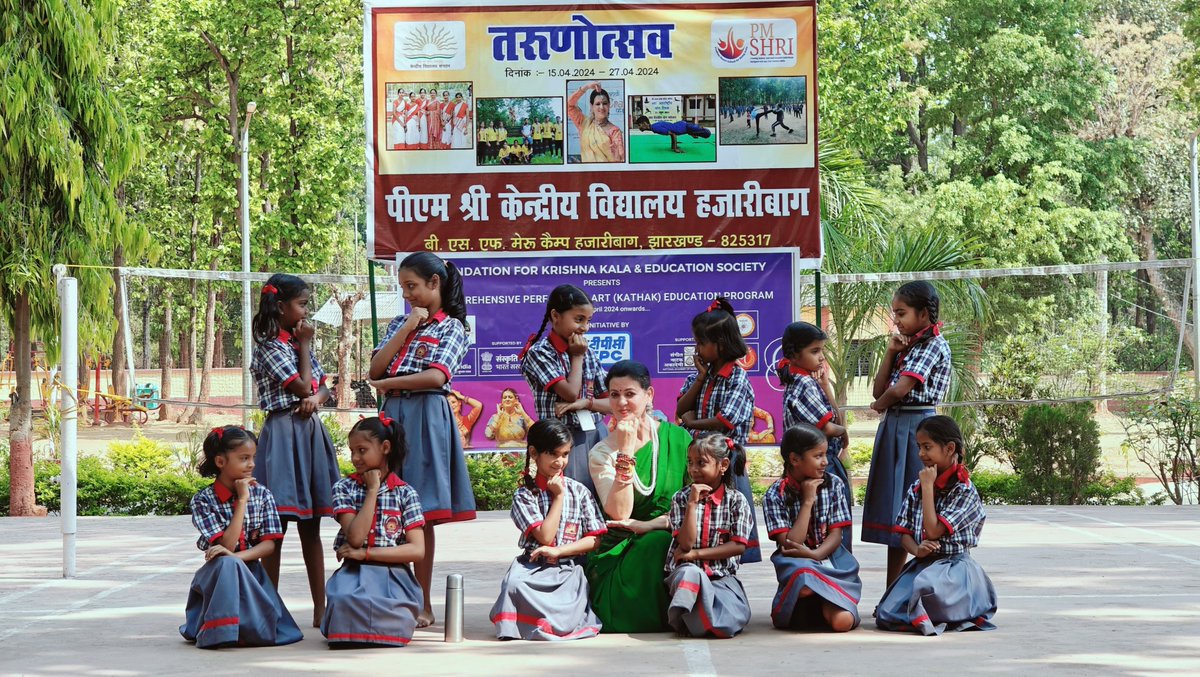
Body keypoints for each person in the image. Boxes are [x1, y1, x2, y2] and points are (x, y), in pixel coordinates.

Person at [368, 252, 475, 628]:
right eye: (403, 288)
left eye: (412, 286)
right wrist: (408, 326)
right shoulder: (402, 320)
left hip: (427, 417)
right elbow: (374, 368)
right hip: (392, 419)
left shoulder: (455, 328)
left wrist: (387, 385)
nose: (408, 294)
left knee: (420, 513)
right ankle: (389, 596)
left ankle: (423, 603)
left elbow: (435, 378)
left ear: (435, 283)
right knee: (387, 505)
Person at [250, 273, 339, 627]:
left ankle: (321, 608)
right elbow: (303, 385)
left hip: (309, 433)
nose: (306, 312)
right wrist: (304, 350)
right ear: (281, 306)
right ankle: (271, 606)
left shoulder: (294, 342)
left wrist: (315, 401)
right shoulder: (272, 347)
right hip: (284, 434)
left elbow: (322, 389)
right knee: (277, 527)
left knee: (312, 527)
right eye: (301, 305)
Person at [586, 360, 692, 632]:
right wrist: (626, 451)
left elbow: (697, 501)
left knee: (666, 540)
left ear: (649, 395)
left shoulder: (679, 439)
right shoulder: (602, 452)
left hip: (677, 530)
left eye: (630, 394)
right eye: (613, 395)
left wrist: (661, 524)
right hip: (625, 545)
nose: (621, 402)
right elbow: (620, 514)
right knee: (656, 543)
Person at [180, 426, 303, 649]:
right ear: (220, 462)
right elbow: (226, 546)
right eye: (244, 458)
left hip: (252, 573)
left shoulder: (263, 494)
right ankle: (220, 631)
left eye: (253, 457)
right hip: (218, 575)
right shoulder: (203, 501)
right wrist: (242, 502)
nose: (252, 464)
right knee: (226, 563)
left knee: (231, 562)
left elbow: (268, 546)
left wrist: (238, 557)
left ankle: (231, 629)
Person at [863, 281, 952, 585]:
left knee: (917, 507)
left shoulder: (933, 345)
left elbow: (899, 389)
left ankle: (921, 588)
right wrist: (890, 352)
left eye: (901, 313)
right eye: (894, 313)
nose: (896, 320)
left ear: (924, 314)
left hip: (918, 428)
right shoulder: (908, 345)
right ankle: (892, 588)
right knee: (895, 511)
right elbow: (879, 388)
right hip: (895, 425)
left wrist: (877, 405)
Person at [875, 416, 997, 635]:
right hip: (925, 564)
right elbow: (904, 533)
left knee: (925, 592)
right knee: (887, 613)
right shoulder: (917, 487)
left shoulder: (964, 491)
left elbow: (933, 531)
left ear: (950, 448)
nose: (921, 454)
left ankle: (963, 607)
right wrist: (916, 550)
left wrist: (928, 488)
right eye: (919, 447)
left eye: (927, 447)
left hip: (955, 568)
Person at [490, 420, 607, 640]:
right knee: (514, 584)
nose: (560, 462)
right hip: (532, 568)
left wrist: (559, 552)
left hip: (568, 568)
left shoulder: (580, 491)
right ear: (534, 453)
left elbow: (595, 540)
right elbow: (545, 536)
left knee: (573, 596)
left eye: (565, 454)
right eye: (553, 454)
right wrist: (559, 497)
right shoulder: (524, 495)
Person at [322, 415, 426, 647]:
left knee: (393, 606)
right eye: (352, 451)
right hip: (354, 573)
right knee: (344, 599)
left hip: (395, 575)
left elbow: (417, 550)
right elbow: (356, 538)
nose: (355, 458)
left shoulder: (406, 493)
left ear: (385, 448)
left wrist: (367, 554)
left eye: (362, 450)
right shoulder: (343, 488)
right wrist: (372, 491)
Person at [675, 298, 761, 563]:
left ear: (720, 344)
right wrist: (700, 378)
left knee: (727, 521)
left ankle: (727, 574)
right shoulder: (700, 375)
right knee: (698, 520)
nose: (696, 347)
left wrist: (692, 423)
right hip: (700, 461)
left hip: (725, 463)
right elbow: (681, 408)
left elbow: (725, 420)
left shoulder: (737, 377)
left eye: (701, 342)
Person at [763, 425, 861, 632]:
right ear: (795, 459)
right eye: (818, 456)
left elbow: (836, 535)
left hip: (829, 558)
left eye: (825, 454)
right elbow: (791, 543)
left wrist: (815, 554)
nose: (825, 461)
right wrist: (807, 501)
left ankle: (826, 604)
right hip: (796, 561)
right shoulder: (775, 494)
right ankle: (803, 602)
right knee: (805, 580)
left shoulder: (834, 484)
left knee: (843, 622)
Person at [519, 284, 611, 495]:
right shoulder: (539, 353)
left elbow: (610, 403)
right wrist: (577, 357)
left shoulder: (588, 352)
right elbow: (569, 392)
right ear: (555, 315)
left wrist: (587, 403)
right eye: (578, 319)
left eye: (588, 321)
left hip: (596, 433)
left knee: (602, 497)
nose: (585, 328)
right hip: (562, 440)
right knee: (572, 496)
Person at [663, 433, 753, 638]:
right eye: (690, 463)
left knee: (731, 620)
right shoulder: (681, 498)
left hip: (721, 578)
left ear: (723, 465)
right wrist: (693, 504)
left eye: (701, 463)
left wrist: (696, 555)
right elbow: (685, 544)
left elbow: (737, 546)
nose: (693, 469)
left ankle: (698, 621)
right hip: (686, 575)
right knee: (691, 574)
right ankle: (685, 619)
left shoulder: (736, 501)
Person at [777, 321, 853, 551]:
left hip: (805, 463)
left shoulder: (803, 381)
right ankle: (835, 565)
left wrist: (826, 386)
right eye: (814, 351)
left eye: (821, 350)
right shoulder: (804, 384)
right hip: (819, 461)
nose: (821, 357)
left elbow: (833, 417)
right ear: (794, 354)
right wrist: (843, 432)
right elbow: (830, 427)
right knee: (831, 521)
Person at [567, 82, 625, 162]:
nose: (601, 107)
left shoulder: (615, 132)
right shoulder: (583, 123)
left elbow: (621, 160)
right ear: (591, 106)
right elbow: (568, 105)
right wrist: (586, 87)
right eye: (597, 104)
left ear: (609, 105)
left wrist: (615, 157)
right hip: (587, 173)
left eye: (604, 103)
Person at [633, 115, 711, 154]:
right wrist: (673, 146)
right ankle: (695, 129)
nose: (639, 127)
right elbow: (672, 132)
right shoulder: (654, 126)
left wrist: (675, 148)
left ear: (645, 123)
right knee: (697, 133)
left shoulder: (655, 128)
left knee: (707, 134)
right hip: (683, 126)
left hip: (684, 127)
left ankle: (699, 128)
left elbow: (673, 134)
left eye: (639, 125)